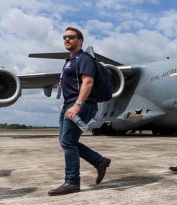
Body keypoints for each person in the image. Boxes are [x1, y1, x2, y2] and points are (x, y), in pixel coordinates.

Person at [48, 27, 111, 196]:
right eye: (64, 37)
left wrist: (77, 104)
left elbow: (88, 82)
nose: (67, 40)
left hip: (82, 105)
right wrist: (66, 103)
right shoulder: (69, 60)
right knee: (66, 141)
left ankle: (72, 182)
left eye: (71, 37)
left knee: (68, 142)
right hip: (69, 104)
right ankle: (100, 161)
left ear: (80, 40)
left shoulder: (84, 58)